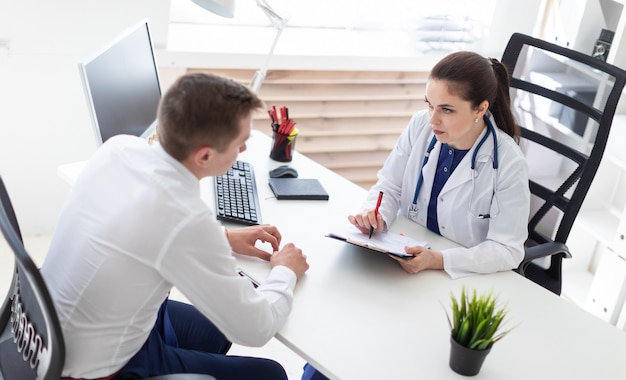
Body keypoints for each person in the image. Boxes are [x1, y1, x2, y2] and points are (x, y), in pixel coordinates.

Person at [41, 72, 309, 380]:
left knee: (218, 335)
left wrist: (223, 239)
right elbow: (256, 328)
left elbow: (146, 230)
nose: (244, 151)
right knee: (271, 374)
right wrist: (285, 270)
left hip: (50, 331)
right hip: (96, 368)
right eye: (241, 144)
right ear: (205, 155)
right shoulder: (185, 218)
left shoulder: (118, 149)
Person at [302, 51, 530, 380]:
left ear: (481, 108)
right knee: (330, 348)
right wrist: (374, 213)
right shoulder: (421, 127)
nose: (433, 120)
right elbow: (389, 185)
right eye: (429, 105)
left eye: (447, 110)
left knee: (385, 356)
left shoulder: (506, 162)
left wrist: (436, 260)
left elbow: (508, 249)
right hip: (401, 264)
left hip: (455, 284)